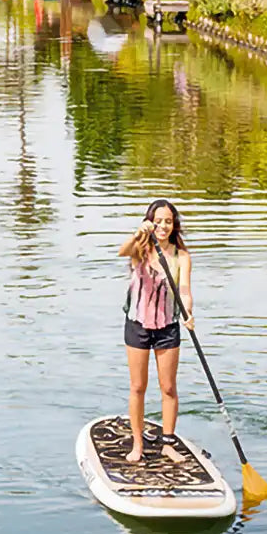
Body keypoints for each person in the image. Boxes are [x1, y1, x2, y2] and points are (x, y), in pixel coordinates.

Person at [118, 198, 193, 465]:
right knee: (138, 386)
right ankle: (137, 443)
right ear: (151, 221)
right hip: (137, 324)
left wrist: (188, 312)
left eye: (168, 221)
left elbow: (184, 290)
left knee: (169, 387)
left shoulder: (181, 256)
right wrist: (140, 233)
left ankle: (168, 444)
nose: (163, 226)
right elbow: (121, 251)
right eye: (158, 221)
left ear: (174, 225)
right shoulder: (140, 249)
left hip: (168, 327)